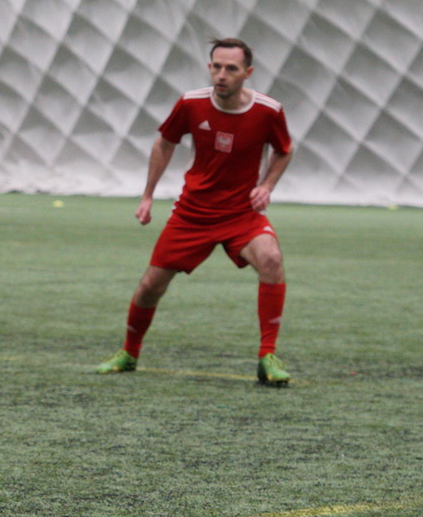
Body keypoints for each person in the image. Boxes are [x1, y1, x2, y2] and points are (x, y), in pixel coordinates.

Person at [96, 38, 294, 385]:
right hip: (193, 214)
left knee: (271, 259)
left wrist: (267, 185)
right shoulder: (191, 103)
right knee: (150, 286)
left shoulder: (268, 111)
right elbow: (164, 142)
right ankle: (129, 353)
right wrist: (147, 195)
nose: (221, 74)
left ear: (247, 73)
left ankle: (268, 357)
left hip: (241, 215)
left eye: (231, 68)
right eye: (216, 66)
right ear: (209, 67)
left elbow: (284, 149)